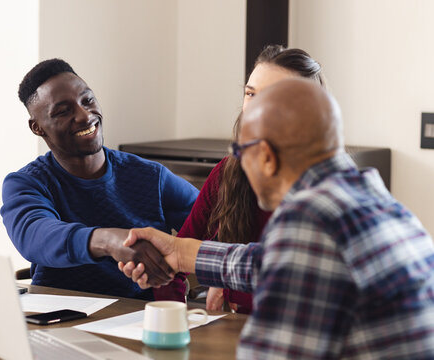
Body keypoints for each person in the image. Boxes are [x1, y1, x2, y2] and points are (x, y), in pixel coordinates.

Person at [120, 78, 434, 358]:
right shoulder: (386, 207)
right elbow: (266, 262)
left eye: (241, 153)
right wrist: (179, 252)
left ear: (267, 157)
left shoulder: (312, 220)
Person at [0, 58, 198, 300]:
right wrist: (110, 241)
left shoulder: (150, 176)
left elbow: (218, 223)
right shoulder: (27, 183)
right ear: (37, 127)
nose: (84, 116)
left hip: (138, 321)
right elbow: (34, 236)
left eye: (88, 100)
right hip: (60, 319)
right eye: (63, 111)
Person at [178, 44, 325, 313]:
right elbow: (179, 251)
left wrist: (216, 272)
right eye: (250, 93)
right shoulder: (228, 172)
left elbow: (286, 270)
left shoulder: (327, 190)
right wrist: (172, 322)